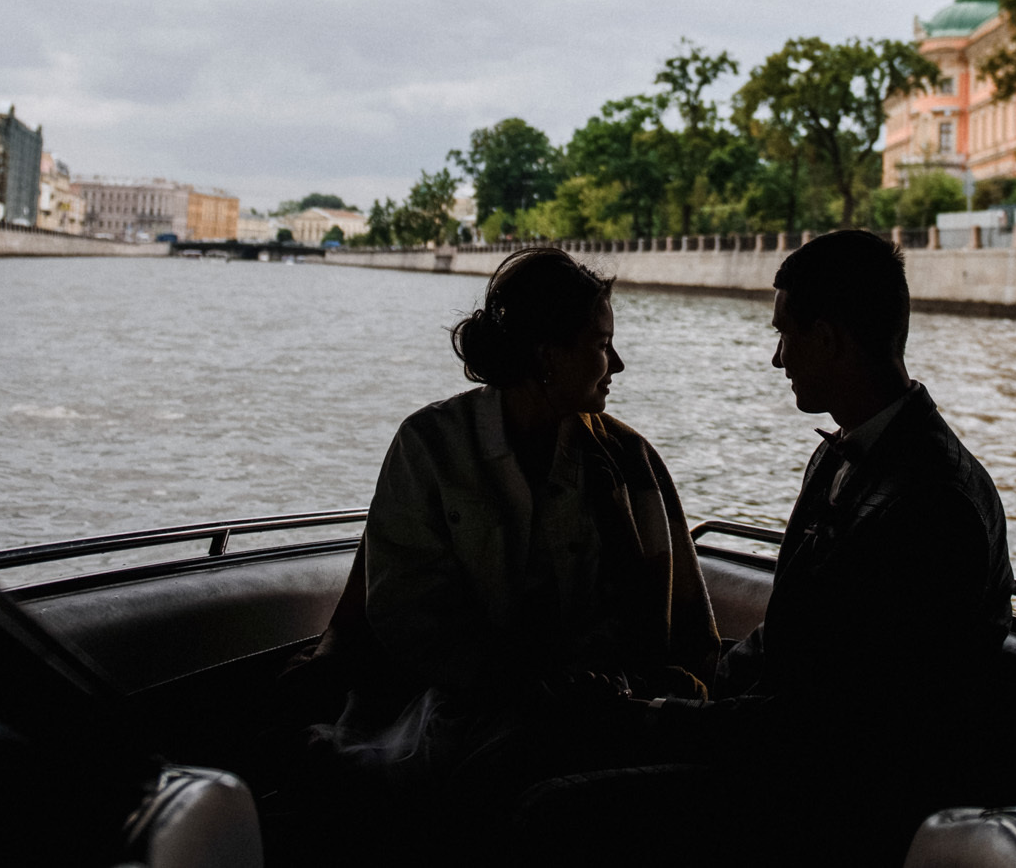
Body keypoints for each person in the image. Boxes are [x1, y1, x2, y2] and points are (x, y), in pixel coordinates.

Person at [520, 230, 1013, 865]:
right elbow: (795, 649)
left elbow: (829, 728)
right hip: (792, 752)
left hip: (841, 799)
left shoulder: (931, 508)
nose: (778, 359)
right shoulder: (851, 455)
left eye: (785, 334)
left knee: (546, 811)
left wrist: (649, 717)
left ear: (829, 339)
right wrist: (679, 690)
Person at [280, 248, 716, 826]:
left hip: (601, 704)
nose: (617, 364)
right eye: (600, 343)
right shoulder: (430, 445)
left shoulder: (629, 458)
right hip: (451, 699)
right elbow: (409, 610)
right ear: (546, 355)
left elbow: (671, 629)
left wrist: (597, 688)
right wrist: (521, 684)